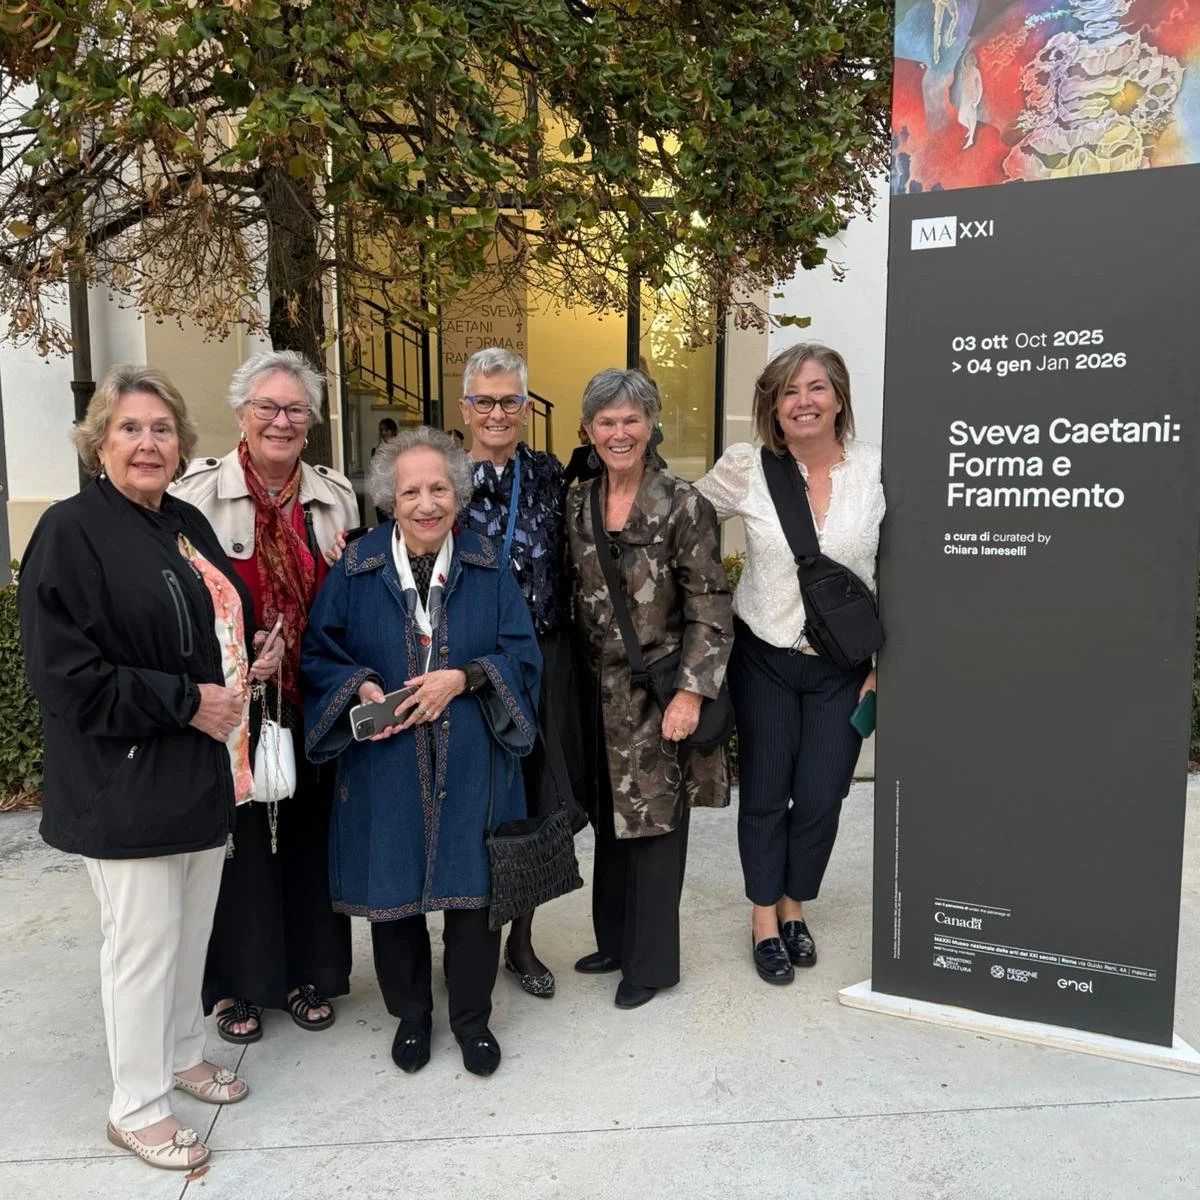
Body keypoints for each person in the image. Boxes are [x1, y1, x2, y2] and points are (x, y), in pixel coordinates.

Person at [19, 365, 283, 1170]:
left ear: (181, 445)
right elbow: (65, 678)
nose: (147, 443)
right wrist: (185, 701)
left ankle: (180, 1054)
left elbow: (204, 624)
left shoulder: (180, 523)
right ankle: (135, 1106)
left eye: (161, 429)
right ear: (99, 439)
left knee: (188, 935)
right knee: (141, 946)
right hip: (125, 779)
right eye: (129, 428)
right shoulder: (70, 531)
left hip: (201, 773)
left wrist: (246, 659)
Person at [301, 426, 541, 1077]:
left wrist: (464, 677)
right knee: (394, 892)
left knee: (473, 898)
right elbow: (319, 654)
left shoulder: (489, 566)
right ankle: (412, 1016)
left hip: (473, 762)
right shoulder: (356, 568)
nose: (426, 503)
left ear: (457, 494)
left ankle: (471, 1020)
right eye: (411, 490)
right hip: (387, 761)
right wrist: (362, 687)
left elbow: (523, 655)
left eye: (438, 487)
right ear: (390, 498)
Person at [172, 350, 359, 1043]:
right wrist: (244, 654)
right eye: (267, 408)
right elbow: (184, 605)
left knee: (310, 835)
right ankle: (235, 990)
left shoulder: (334, 494)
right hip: (236, 700)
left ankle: (308, 972)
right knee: (243, 843)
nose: (281, 421)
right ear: (241, 415)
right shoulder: (196, 496)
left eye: (294, 410)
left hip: (311, 694)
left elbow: (347, 591)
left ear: (310, 421)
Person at [695, 343, 884, 984]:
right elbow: (682, 521)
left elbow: (900, 572)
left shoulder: (875, 471)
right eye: (788, 392)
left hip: (842, 670)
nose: (803, 402)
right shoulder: (748, 467)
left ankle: (795, 904)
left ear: (838, 398)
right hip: (765, 659)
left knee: (824, 795)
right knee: (767, 795)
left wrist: (886, 665)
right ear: (773, 408)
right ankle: (764, 918)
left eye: (815, 389)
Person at [566, 368, 732, 1009]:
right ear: (588, 430)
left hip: (657, 693)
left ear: (651, 424)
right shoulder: (578, 502)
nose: (619, 432)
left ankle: (652, 964)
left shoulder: (682, 502)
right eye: (605, 421)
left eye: (631, 419)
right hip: (593, 693)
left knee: (657, 830)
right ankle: (614, 942)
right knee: (612, 825)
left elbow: (710, 606)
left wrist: (691, 694)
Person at [456, 347, 585, 1000]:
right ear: (465, 408)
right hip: (467, 670)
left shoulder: (549, 475)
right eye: (485, 400)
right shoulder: (442, 479)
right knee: (471, 804)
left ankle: (521, 942)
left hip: (542, 662)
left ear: (526, 408)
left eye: (510, 400)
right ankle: (464, 947)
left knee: (536, 803)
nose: (498, 412)